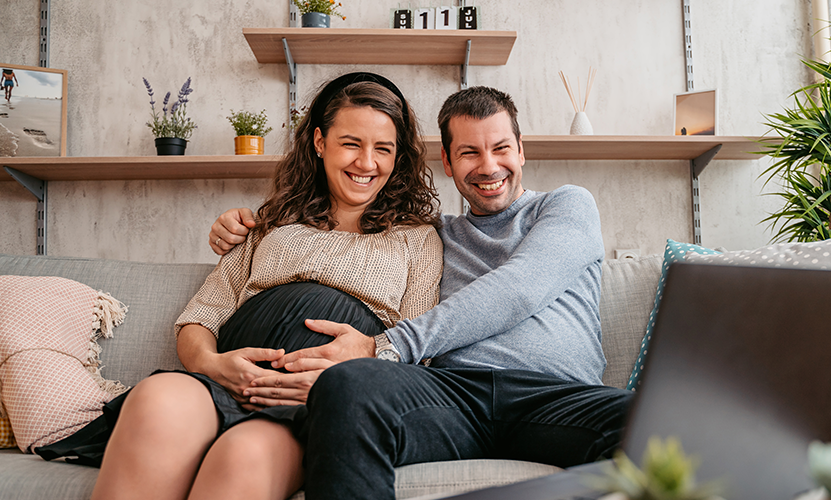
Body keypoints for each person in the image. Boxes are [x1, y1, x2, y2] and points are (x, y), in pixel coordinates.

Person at [211, 86, 634, 499]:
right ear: (448, 163)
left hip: (554, 397)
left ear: (521, 150)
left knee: (659, 422)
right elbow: (348, 231)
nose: (489, 166)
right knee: (346, 385)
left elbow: (519, 288)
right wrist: (244, 223)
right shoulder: (431, 233)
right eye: (469, 152)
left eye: (501, 148)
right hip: (452, 397)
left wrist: (383, 347)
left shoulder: (567, 205)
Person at [82, 72, 443, 500]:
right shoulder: (268, 223)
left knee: (243, 455)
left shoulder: (418, 238)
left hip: (313, 403)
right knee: (157, 398)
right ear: (319, 142)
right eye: (351, 143)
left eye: (383, 148)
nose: (367, 163)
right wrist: (215, 366)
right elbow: (199, 318)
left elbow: (418, 352)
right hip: (224, 382)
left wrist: (346, 388)